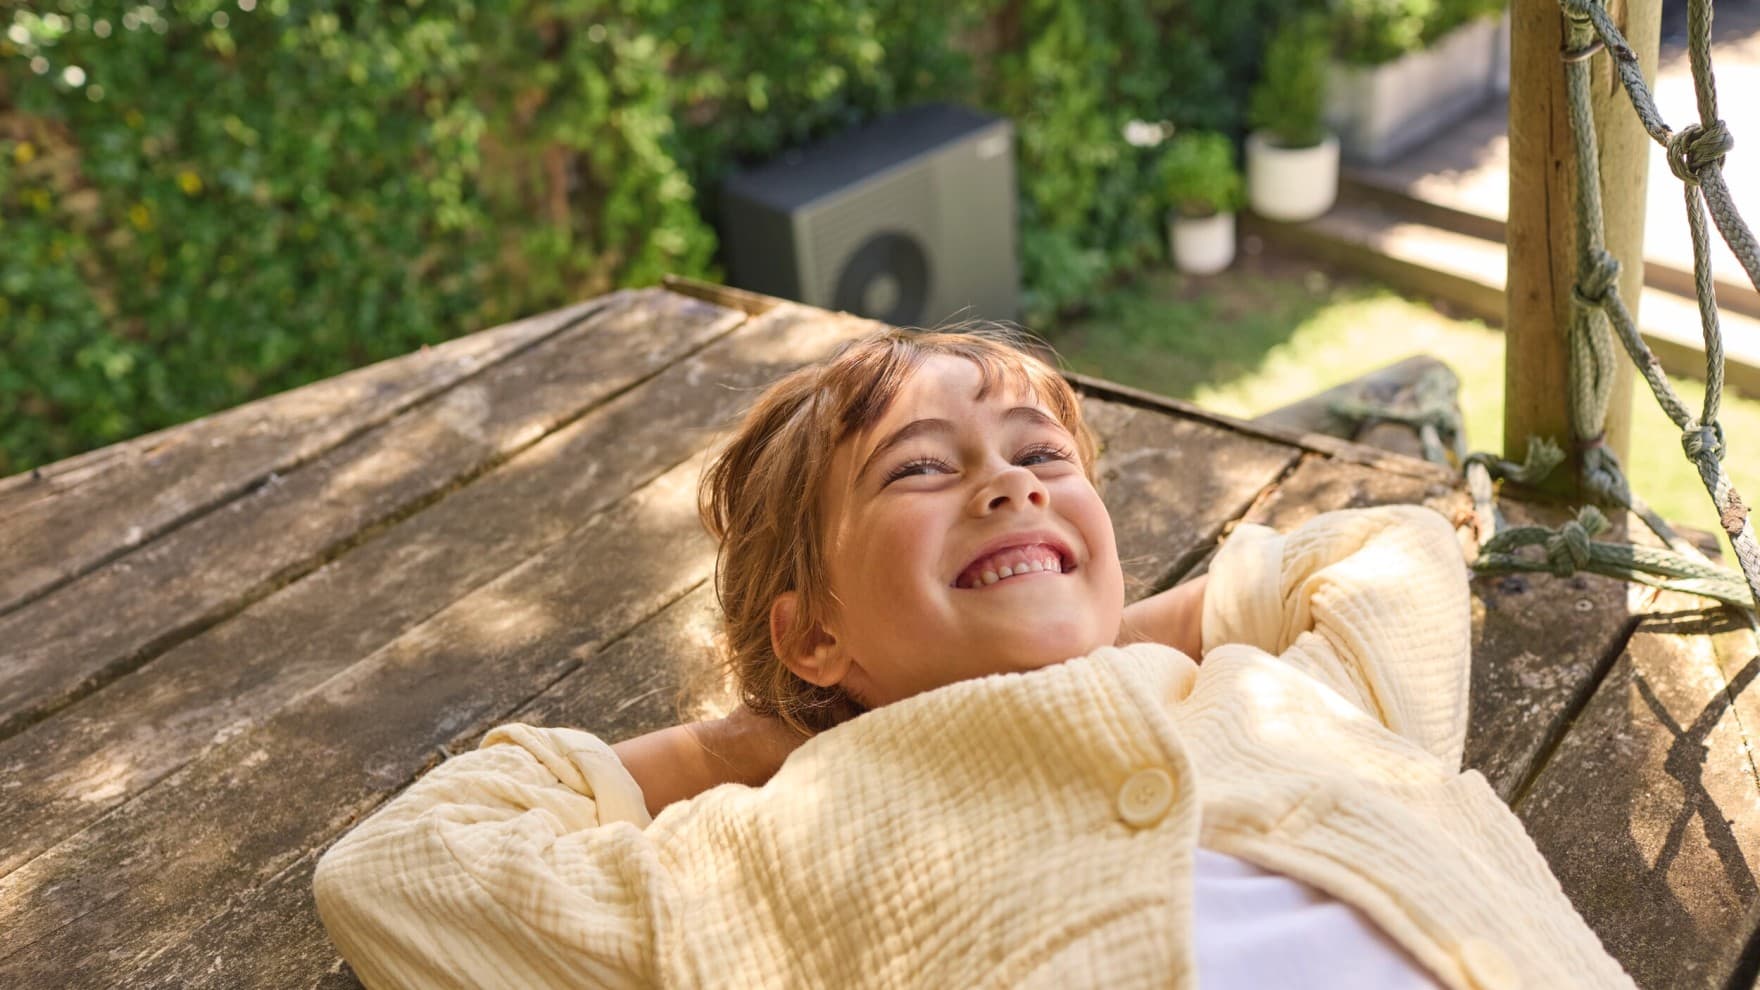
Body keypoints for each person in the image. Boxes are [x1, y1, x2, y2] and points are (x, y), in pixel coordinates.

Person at [313, 324, 1634, 988]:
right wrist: (768, 735)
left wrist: (1103, 645)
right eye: (923, 469)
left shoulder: (1275, 695)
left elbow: (1393, 546)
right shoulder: (741, 858)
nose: (1008, 484)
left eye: (1043, 456)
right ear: (812, 630)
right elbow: (395, 874)